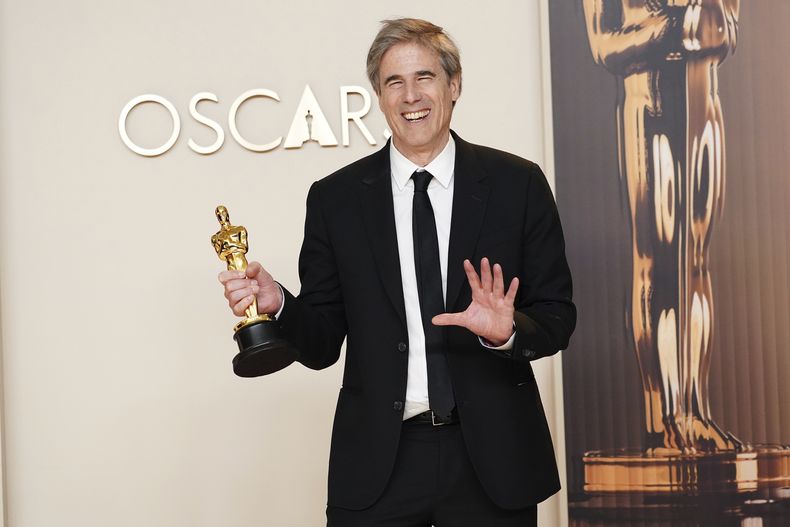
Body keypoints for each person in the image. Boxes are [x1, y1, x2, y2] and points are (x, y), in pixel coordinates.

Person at [219, 18, 575, 526]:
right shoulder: (335, 200)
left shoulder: (517, 185)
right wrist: (280, 304)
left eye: (425, 77)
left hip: (493, 461)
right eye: (394, 82)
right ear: (379, 97)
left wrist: (507, 334)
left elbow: (558, 315)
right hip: (379, 463)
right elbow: (321, 346)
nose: (412, 95)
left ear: (454, 86)